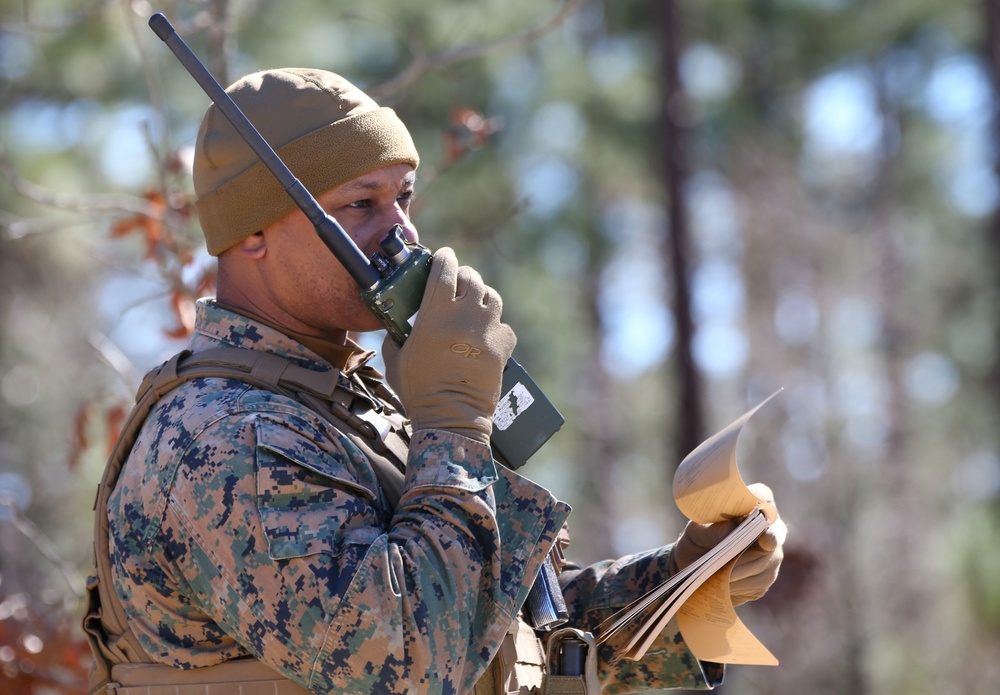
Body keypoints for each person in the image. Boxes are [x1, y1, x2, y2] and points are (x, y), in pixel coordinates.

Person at [85, 68, 786, 695]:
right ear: (253, 233)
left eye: (404, 198)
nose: (402, 233)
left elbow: (500, 630)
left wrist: (684, 585)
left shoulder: (346, 405)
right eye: (362, 204)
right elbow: (409, 660)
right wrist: (453, 424)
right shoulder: (230, 436)